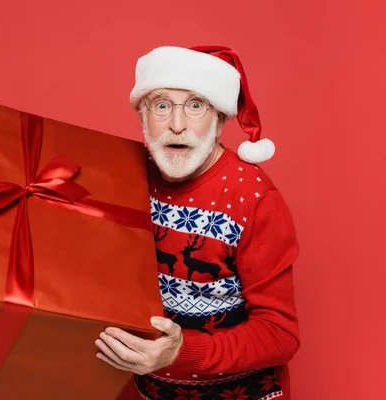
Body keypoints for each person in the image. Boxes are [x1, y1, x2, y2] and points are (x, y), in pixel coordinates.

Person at [95, 46, 300, 399]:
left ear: (219, 118)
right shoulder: (122, 177)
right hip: (148, 392)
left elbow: (280, 334)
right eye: (161, 105)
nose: (177, 125)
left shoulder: (254, 200)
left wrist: (181, 351)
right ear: (143, 116)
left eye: (195, 106)